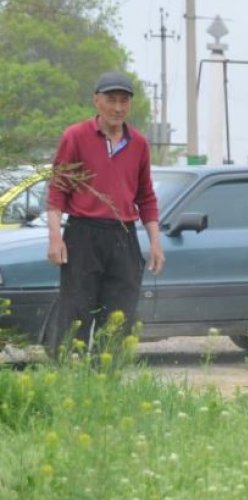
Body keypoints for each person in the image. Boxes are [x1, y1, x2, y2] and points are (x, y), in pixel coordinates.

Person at [46, 71, 164, 354]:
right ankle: (68, 379)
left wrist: (156, 243)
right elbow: (57, 190)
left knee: (118, 317)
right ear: (96, 101)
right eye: (111, 100)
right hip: (83, 234)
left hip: (124, 236)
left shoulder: (139, 144)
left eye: (124, 101)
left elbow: (146, 197)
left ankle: (105, 383)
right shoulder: (75, 136)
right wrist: (54, 238)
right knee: (76, 312)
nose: (118, 107)